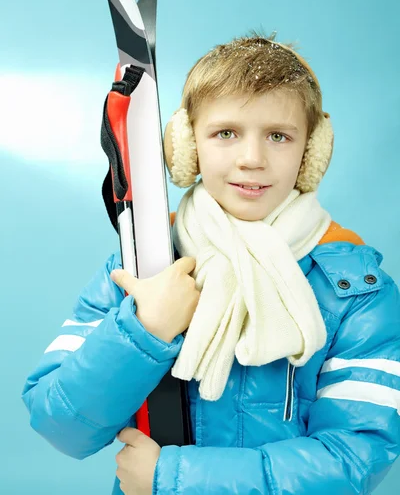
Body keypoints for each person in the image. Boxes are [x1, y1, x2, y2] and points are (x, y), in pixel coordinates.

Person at [22, 33, 400, 495]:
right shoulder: (142, 268)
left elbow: (356, 457)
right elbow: (60, 424)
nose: (252, 159)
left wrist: (172, 478)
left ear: (311, 153)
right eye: (226, 133)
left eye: (278, 136)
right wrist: (144, 330)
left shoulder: (357, 292)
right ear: (187, 145)